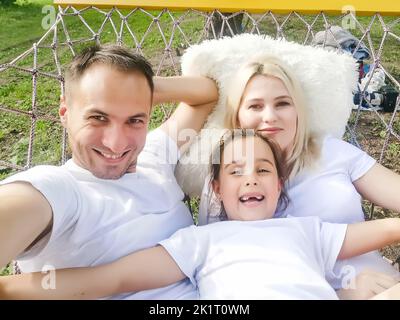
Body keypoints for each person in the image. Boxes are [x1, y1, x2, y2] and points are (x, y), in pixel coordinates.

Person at [1, 129, 400, 300]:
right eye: (235, 172)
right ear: (216, 189)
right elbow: (111, 277)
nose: (251, 180)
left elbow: (388, 228)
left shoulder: (309, 231)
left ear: (279, 186)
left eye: (263, 170)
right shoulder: (200, 241)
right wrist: (9, 289)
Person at [0, 44, 218, 299]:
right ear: (65, 112)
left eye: (135, 120)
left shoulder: (153, 155)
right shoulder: (57, 190)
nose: (116, 144)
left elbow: (208, 94)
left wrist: (141, 88)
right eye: (98, 118)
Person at [198, 54, 400, 298]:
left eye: (282, 103)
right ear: (237, 116)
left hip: (386, 285)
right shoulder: (226, 184)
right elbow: (223, 275)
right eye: (255, 106)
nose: (270, 116)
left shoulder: (332, 153)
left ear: (297, 110)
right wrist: (344, 295)